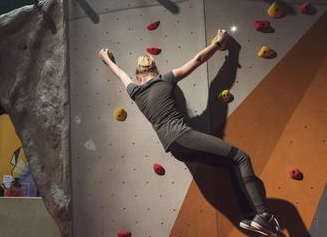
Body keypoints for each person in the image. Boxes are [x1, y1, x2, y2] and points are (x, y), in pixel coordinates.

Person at [98, 29, 285, 237]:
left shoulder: (134, 91)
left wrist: (106, 58)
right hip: (183, 136)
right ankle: (264, 215)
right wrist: (218, 43)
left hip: (176, 149)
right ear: (155, 69)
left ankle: (250, 216)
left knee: (231, 163)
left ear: (137, 76)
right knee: (241, 157)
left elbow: (119, 73)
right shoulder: (165, 79)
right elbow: (198, 60)